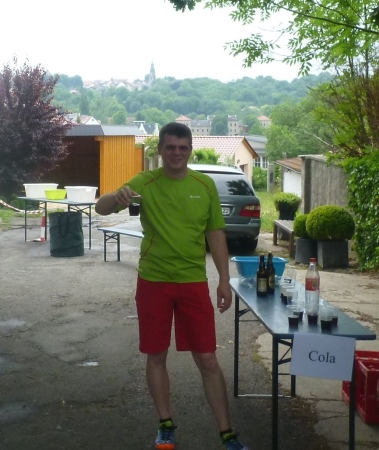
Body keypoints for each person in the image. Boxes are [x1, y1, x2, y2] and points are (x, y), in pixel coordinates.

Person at [95, 122, 249, 450]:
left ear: (190, 150)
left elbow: (215, 234)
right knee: (156, 355)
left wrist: (224, 280)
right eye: (170, 147)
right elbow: (101, 208)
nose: (177, 153)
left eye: (182, 147)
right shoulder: (145, 182)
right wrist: (115, 196)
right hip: (154, 281)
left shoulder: (204, 185)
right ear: (161, 150)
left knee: (207, 359)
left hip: (193, 282)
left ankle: (227, 434)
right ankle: (165, 425)